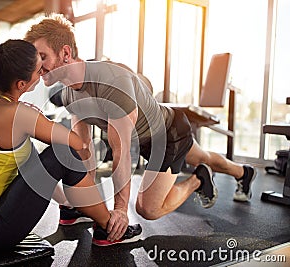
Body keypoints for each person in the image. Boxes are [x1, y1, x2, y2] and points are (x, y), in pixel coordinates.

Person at [24, 14, 257, 237]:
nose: (38, 65)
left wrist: (120, 212)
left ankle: (198, 179)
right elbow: (85, 150)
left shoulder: (111, 81)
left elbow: (122, 151)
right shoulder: (68, 96)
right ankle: (244, 172)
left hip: (168, 134)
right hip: (145, 138)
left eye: (42, 56)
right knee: (203, 155)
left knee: (148, 208)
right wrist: (85, 199)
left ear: (65, 52)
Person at [0, 39, 143, 251]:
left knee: (39, 156)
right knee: (63, 154)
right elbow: (75, 143)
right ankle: (109, 227)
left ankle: (70, 209)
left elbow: (36, 167)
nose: (42, 73)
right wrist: (38, 116)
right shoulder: (18, 114)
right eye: (38, 70)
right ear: (22, 85)